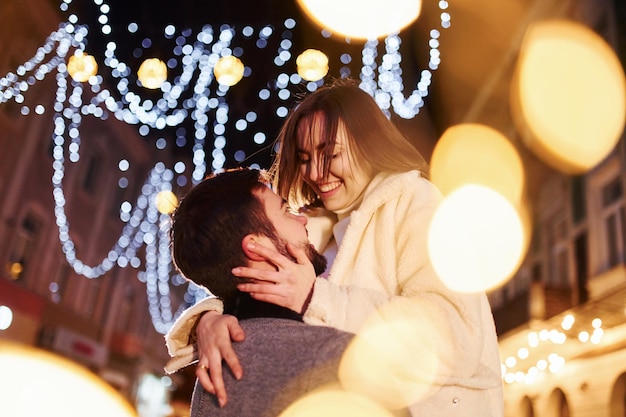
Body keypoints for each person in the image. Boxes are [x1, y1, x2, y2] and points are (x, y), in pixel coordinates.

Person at [166, 79, 504, 416]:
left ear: (367, 142)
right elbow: (247, 271)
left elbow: (458, 334)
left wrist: (318, 299)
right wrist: (212, 319)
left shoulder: (418, 203)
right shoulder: (316, 224)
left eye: (330, 154)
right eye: (303, 158)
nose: (315, 172)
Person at [166, 168, 362, 416]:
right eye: (286, 211)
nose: (303, 219)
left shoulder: (209, 380)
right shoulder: (334, 355)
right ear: (256, 247)